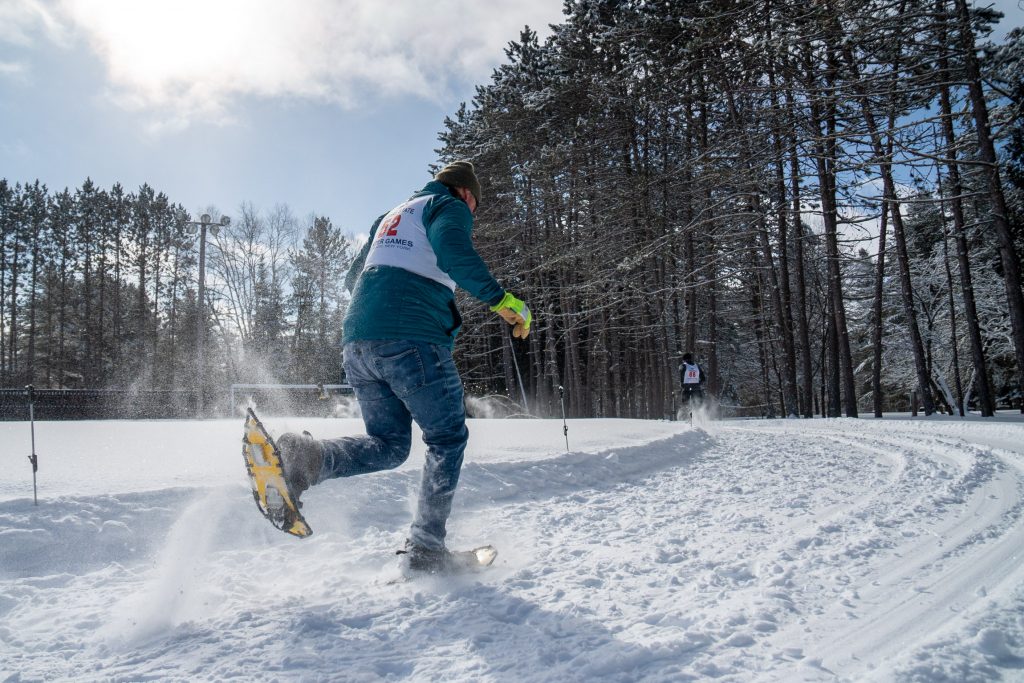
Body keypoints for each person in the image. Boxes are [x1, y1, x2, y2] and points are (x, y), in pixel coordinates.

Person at [275, 160, 531, 573]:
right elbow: (454, 251)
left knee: (390, 445)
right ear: (466, 194)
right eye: (474, 208)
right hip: (411, 339)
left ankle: (306, 457)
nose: (471, 216)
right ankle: (427, 549)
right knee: (447, 438)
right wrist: (504, 302)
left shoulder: (392, 215)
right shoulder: (449, 206)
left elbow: (352, 278)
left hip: (358, 341)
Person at [679, 352, 706, 417]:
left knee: (685, 403)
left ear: (684, 359)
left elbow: (681, 376)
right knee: (698, 403)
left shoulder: (683, 366)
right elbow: (703, 378)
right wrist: (698, 383)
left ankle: (687, 416)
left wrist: (682, 384)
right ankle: (698, 416)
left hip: (686, 388)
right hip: (696, 388)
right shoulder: (697, 366)